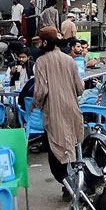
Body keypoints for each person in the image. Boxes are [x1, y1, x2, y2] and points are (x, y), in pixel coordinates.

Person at [28, 26, 84, 187]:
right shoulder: (69, 60)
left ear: (45, 42)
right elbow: (80, 88)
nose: (38, 46)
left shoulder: (41, 62)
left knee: (56, 155)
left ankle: (71, 188)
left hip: (54, 113)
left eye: (40, 43)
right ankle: (76, 185)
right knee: (72, 150)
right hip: (72, 111)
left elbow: (41, 90)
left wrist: (35, 104)